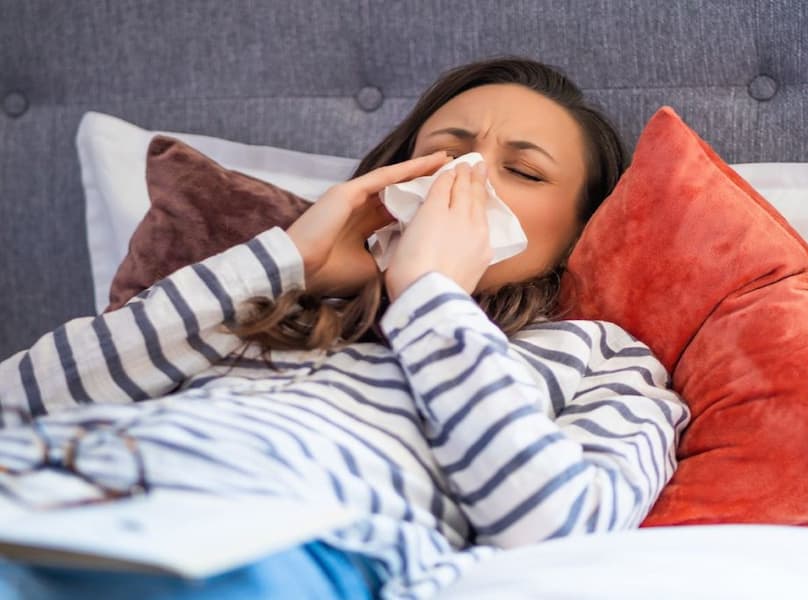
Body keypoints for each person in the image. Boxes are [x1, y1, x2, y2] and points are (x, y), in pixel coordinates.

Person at [0, 56, 689, 600]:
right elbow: (16, 403)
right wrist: (286, 261)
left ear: (576, 233)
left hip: (262, 536)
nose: (467, 175)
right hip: (48, 483)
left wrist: (432, 297)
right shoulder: (263, 302)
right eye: (446, 153)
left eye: (521, 171)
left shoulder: (603, 360)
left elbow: (563, 533)